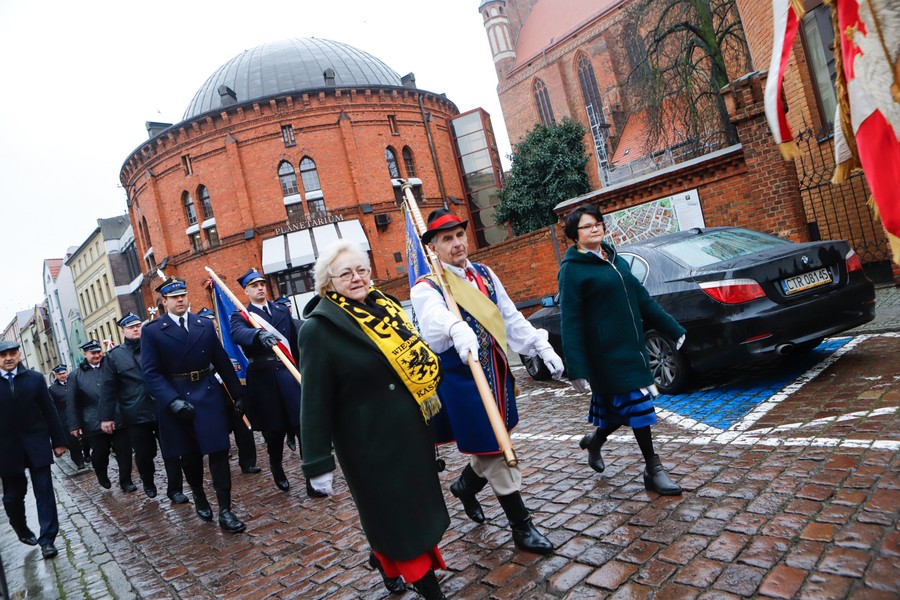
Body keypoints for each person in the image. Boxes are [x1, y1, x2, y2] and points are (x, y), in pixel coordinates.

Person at [300, 240, 450, 599]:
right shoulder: (318, 329)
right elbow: (314, 401)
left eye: (361, 270)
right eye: (346, 273)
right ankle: (429, 588)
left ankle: (382, 556)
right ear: (328, 282)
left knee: (411, 514)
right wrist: (317, 462)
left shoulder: (387, 308)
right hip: (370, 447)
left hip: (410, 434)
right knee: (401, 522)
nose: (357, 278)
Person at [410, 208, 564, 556]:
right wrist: (454, 326)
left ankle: (465, 487)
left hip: (495, 371)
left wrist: (539, 345)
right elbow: (434, 323)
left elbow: (508, 316)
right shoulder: (427, 287)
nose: (456, 243)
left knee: (491, 442)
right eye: (447, 239)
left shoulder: (484, 274)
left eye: (459, 235)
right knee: (496, 448)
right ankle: (521, 525)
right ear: (433, 247)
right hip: (463, 382)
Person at [557, 205, 685, 495]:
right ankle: (653, 469)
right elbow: (570, 320)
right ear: (575, 235)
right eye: (587, 226)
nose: (595, 228)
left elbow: (643, 299)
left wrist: (673, 329)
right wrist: (576, 368)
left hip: (632, 350)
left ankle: (595, 441)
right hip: (605, 356)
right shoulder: (572, 270)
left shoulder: (615, 259)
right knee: (639, 408)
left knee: (620, 410)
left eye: (598, 223)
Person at [141, 276, 247, 533]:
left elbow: (221, 360)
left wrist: (238, 394)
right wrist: (172, 401)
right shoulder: (153, 331)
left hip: (207, 394)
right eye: (174, 297)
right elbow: (151, 373)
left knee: (219, 451)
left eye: (183, 295)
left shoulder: (203, 324)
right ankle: (199, 495)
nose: (180, 300)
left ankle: (225, 509)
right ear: (164, 302)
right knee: (190, 456)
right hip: (177, 397)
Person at [229, 269, 306, 494]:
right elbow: (237, 333)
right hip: (264, 379)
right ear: (246, 291)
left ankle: (312, 475)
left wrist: (300, 369)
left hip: (288, 374)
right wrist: (257, 334)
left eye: (262, 284)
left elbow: (294, 341)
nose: (260, 288)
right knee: (274, 431)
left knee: (301, 426)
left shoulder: (280, 310)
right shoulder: (242, 315)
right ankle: (276, 466)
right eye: (254, 286)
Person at [98, 313, 188, 502]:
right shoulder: (115, 356)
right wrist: (106, 417)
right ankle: (147, 480)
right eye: (130, 327)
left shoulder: (156, 346)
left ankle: (175, 490)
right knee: (145, 454)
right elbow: (108, 388)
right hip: (135, 413)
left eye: (138, 325)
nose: (135, 329)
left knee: (171, 451)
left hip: (162, 406)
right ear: (123, 331)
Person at [0, 339, 68, 559]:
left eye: (12, 353)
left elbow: (49, 411)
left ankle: (47, 540)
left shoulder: (35, 379)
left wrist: (59, 441)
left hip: (36, 443)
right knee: (12, 497)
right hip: (6, 449)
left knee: (44, 492)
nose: (8, 358)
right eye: (3, 355)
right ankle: (21, 528)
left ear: (19, 355)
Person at [196, 307, 261, 475]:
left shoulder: (226, 336)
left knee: (243, 427)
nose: (211, 322)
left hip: (235, 386)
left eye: (212, 318)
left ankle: (248, 462)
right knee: (219, 429)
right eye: (206, 319)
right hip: (215, 390)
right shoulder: (199, 339)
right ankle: (221, 464)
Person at [66, 340, 135, 492]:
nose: (97, 355)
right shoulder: (76, 376)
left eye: (98, 352)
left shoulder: (110, 368)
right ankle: (101, 475)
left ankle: (126, 481)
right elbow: (72, 402)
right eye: (93, 353)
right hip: (93, 422)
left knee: (124, 451)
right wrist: (75, 425)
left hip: (117, 417)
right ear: (85, 354)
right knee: (100, 454)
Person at [47, 363, 89, 469]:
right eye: (60, 374)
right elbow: (53, 406)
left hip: (80, 414)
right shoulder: (52, 389)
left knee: (86, 437)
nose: (63, 375)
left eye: (64, 373)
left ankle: (87, 454)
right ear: (56, 375)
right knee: (72, 441)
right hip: (65, 418)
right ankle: (79, 461)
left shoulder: (73, 383)